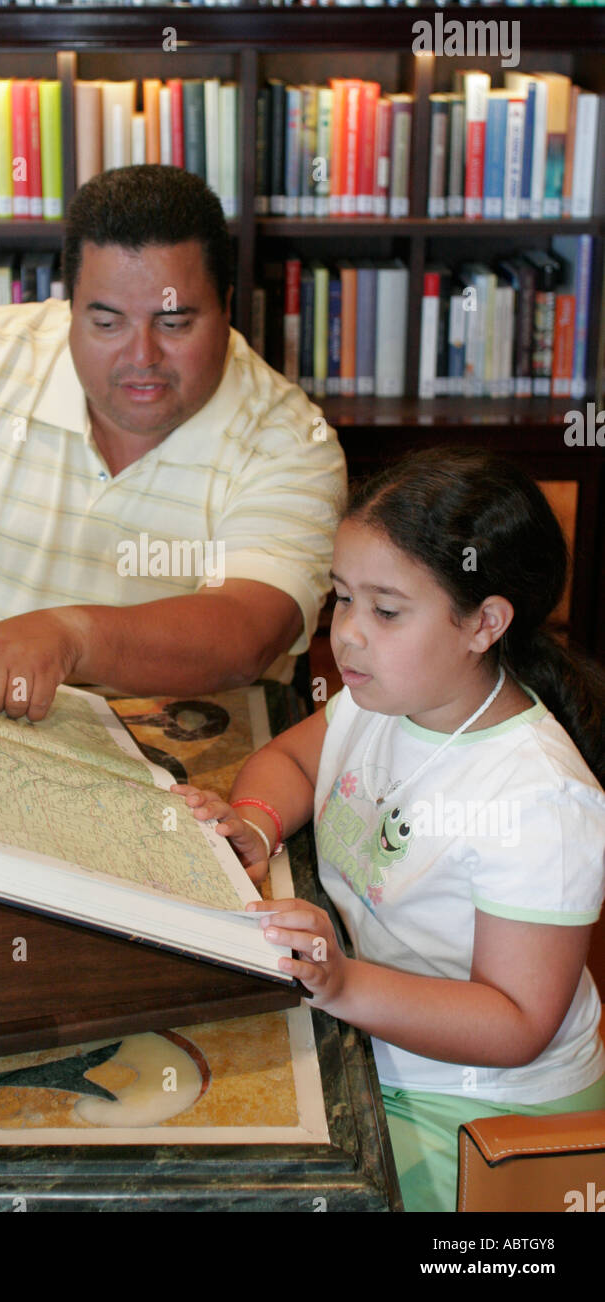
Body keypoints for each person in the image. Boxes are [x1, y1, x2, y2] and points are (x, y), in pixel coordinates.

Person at [174, 446, 605, 1212]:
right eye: (341, 598)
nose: (345, 635)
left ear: (483, 623)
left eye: (385, 610)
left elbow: (514, 1023)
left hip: (474, 1115)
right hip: (371, 1044)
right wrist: (253, 823)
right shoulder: (391, 700)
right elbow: (294, 763)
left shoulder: (540, 800)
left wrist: (342, 981)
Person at [0, 165, 345, 719]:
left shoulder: (292, 440)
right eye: (106, 323)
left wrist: (69, 636)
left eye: (173, 324)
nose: (141, 356)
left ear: (226, 306)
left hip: (189, 748)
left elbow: (244, 633)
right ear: (70, 305)